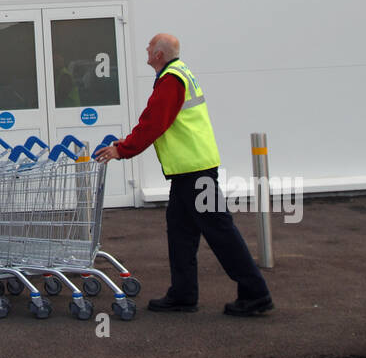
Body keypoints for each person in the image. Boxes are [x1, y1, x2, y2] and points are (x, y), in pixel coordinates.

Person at [95, 33, 274, 316]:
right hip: (187, 173)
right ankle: (183, 293)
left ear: (159, 54)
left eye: (150, 46)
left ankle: (255, 293)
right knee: (180, 232)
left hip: (195, 172)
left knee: (220, 231)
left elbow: (154, 121)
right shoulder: (177, 74)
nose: (146, 48)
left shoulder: (171, 80)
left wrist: (123, 149)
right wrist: (124, 146)